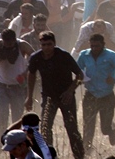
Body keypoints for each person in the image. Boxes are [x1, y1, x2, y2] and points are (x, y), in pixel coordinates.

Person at [25, 31, 85, 159]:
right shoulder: (36, 58)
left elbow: (80, 76)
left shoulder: (63, 56)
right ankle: (49, 156)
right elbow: (31, 75)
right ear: (40, 45)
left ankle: (79, 156)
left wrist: (70, 91)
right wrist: (29, 96)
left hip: (65, 97)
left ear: (54, 44)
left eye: (49, 44)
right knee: (45, 128)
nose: (46, 47)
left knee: (72, 128)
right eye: (44, 44)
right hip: (49, 97)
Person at [77, 34, 115, 151]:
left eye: (97, 46)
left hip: (107, 95)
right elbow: (77, 70)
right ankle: (87, 149)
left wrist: (114, 79)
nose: (94, 48)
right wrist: (80, 78)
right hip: (90, 94)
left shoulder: (112, 56)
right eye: (92, 46)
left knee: (104, 128)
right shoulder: (84, 55)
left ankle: (110, 129)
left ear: (103, 45)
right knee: (88, 125)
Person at [0, 29, 34, 135]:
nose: (7, 46)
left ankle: (16, 138)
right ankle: (0, 139)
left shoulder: (22, 45)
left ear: (14, 40)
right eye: (6, 43)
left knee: (17, 116)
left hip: (18, 86)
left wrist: (25, 73)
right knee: (2, 114)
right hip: (1, 84)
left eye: (10, 44)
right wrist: (0, 56)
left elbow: (34, 58)